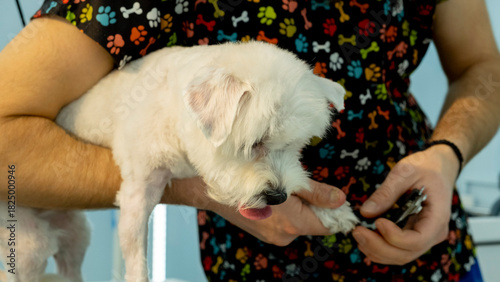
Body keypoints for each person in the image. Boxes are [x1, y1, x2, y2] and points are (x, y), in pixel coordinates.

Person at [0, 0, 499, 280]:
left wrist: (447, 155)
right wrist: (194, 185)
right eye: (259, 145)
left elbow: (483, 65)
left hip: (437, 260)